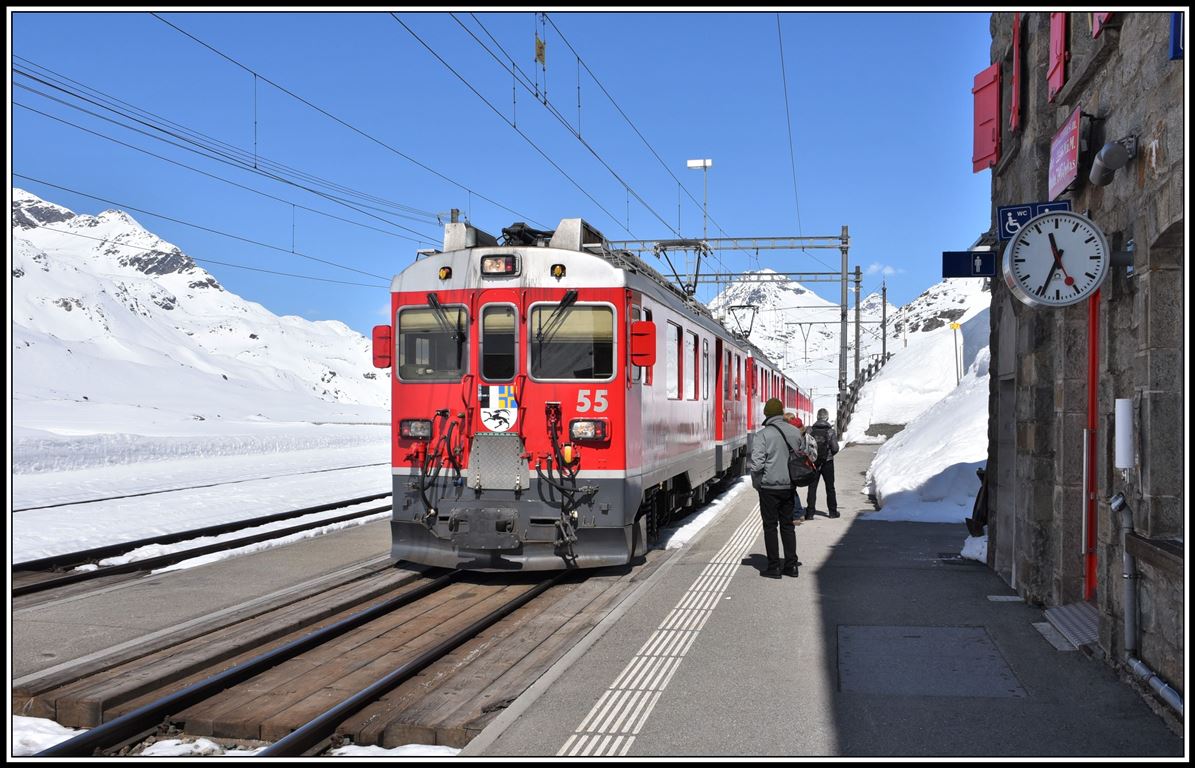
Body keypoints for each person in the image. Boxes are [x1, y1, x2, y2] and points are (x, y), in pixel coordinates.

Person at [749, 398, 806, 579]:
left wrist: (757, 482)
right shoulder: (795, 432)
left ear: (766, 414)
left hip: (768, 488)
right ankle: (791, 566)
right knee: (788, 526)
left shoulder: (762, 435)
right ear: (781, 413)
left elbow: (757, 465)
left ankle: (773, 567)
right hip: (789, 486)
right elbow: (802, 455)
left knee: (770, 527)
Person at [805, 408, 840, 520]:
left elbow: (805, 447)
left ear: (817, 417)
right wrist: (828, 455)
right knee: (830, 487)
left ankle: (810, 513)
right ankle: (832, 512)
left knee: (812, 487)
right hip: (827, 463)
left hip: (813, 463)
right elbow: (835, 448)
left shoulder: (810, 430)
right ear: (827, 418)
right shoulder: (830, 431)